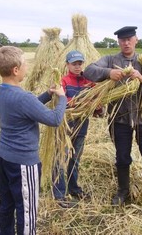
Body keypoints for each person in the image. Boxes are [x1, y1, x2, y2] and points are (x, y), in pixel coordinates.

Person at [83, 26, 142, 211]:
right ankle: (123, 192)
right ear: (119, 42)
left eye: (129, 39)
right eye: (122, 40)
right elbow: (89, 70)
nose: (126, 43)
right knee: (122, 157)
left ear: (136, 39)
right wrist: (108, 73)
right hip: (119, 120)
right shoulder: (111, 60)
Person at [0, 46, 67, 235]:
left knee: (7, 204)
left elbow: (26, 107)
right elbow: (54, 119)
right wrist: (62, 98)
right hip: (23, 163)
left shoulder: (1, 91)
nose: (27, 66)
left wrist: (47, 94)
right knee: (27, 211)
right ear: (15, 70)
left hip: (5, 157)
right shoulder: (23, 97)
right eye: (25, 63)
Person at [52, 50, 93, 208]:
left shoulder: (88, 81)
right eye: (74, 63)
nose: (77, 66)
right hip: (65, 127)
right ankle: (59, 193)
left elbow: (96, 99)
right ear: (67, 65)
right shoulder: (62, 81)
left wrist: (97, 107)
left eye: (80, 63)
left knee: (75, 159)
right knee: (60, 159)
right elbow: (59, 100)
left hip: (82, 126)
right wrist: (77, 102)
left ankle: (74, 188)